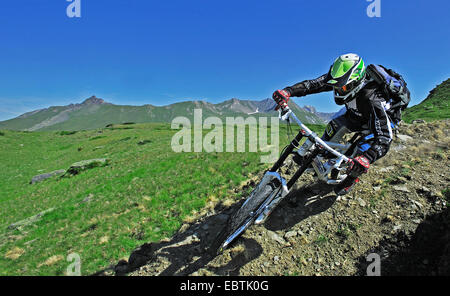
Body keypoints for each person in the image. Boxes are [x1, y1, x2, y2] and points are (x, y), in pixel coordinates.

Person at [272, 53, 409, 195]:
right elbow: (312, 85)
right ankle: (322, 156)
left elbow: (385, 138)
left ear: (356, 82)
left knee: (361, 151)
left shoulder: (372, 100)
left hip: (381, 121)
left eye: (342, 88)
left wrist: (366, 159)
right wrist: (288, 91)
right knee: (334, 127)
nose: (337, 91)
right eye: (335, 86)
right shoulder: (339, 79)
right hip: (356, 113)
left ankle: (352, 178)